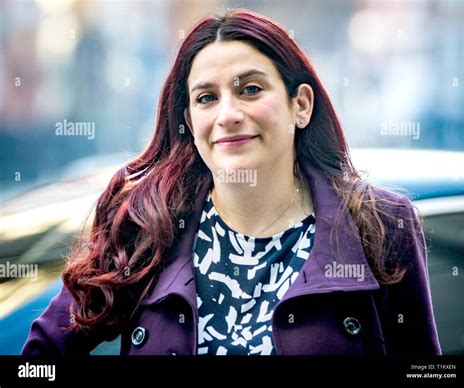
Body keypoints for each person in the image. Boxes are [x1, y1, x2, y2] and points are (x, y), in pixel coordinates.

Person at [22, 8, 441, 356]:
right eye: (207, 98)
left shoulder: (382, 226)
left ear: (301, 105)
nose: (228, 114)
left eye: (250, 89)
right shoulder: (146, 227)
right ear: (190, 122)